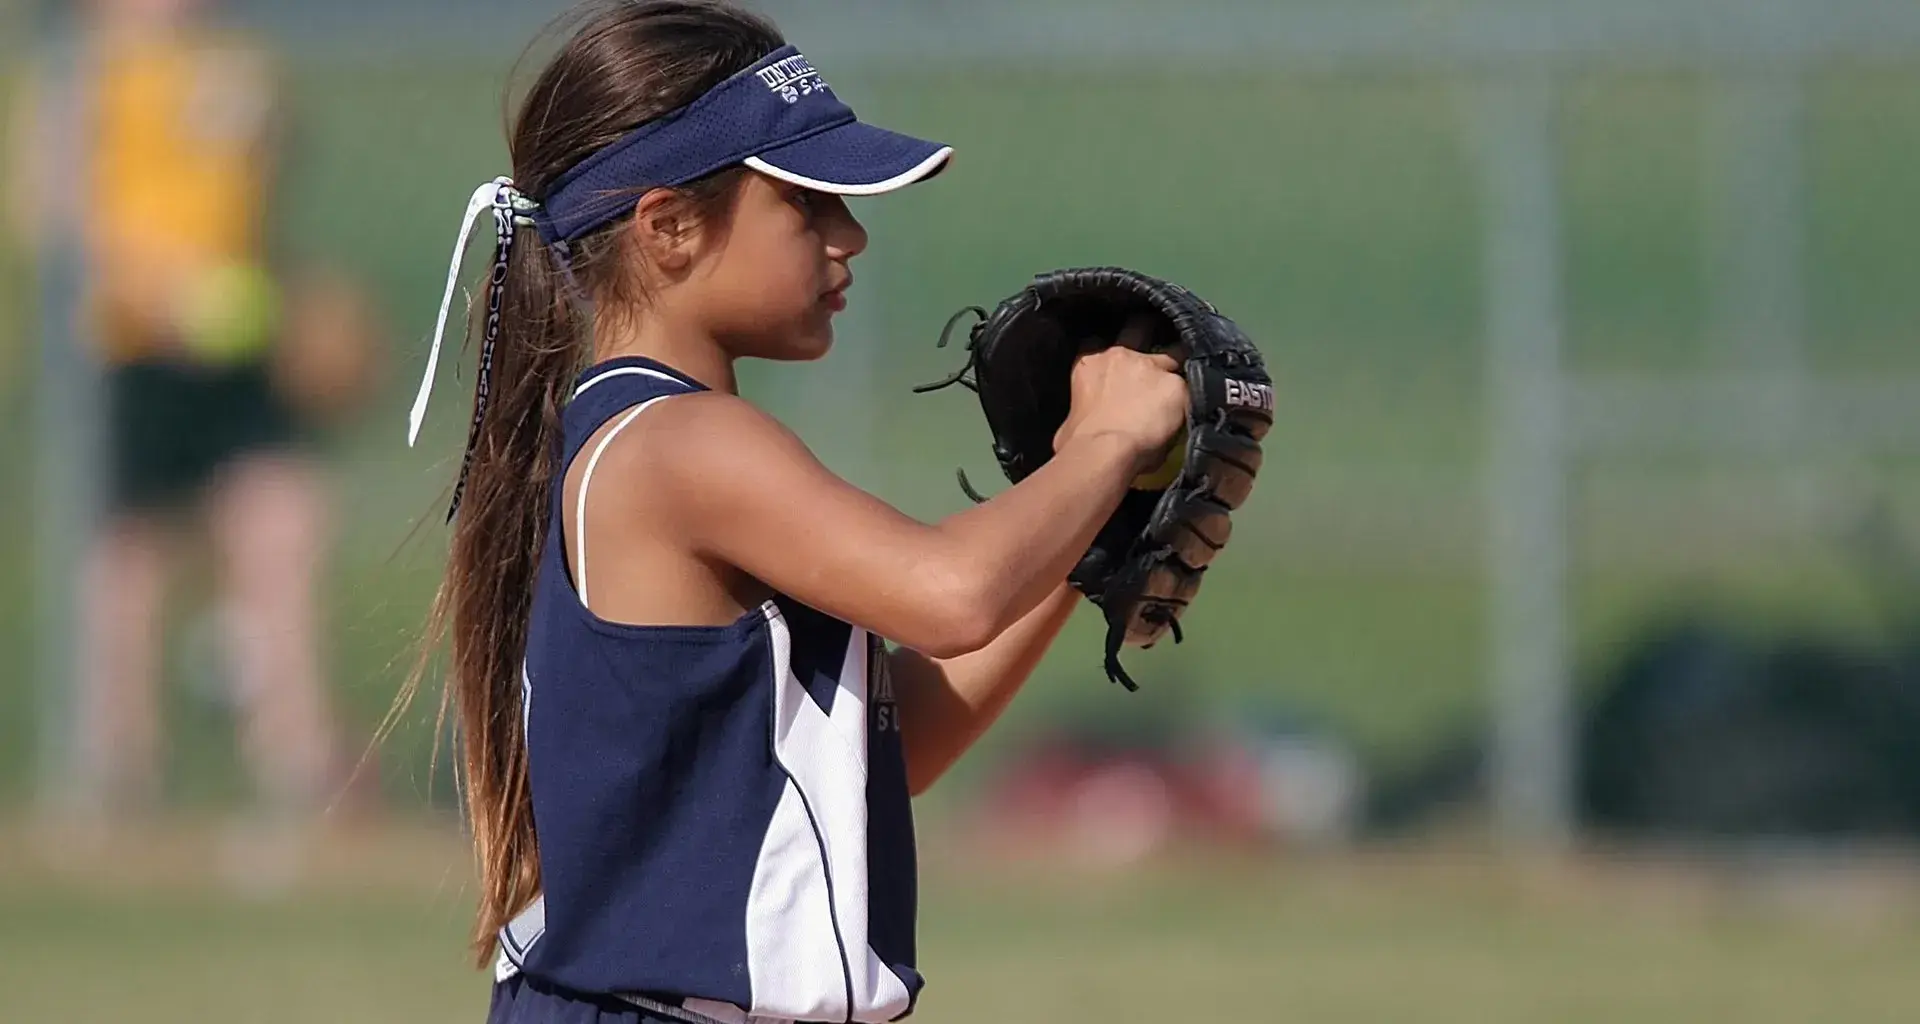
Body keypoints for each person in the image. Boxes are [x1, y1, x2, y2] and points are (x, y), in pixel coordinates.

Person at [398, 2, 1188, 1021]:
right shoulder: (682, 447)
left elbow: (884, 751)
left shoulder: (660, 438)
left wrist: (1092, 528)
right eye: (807, 204)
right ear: (668, 228)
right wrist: (1104, 444)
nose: (849, 234)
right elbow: (950, 593)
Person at [11, 0, 358, 834]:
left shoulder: (232, 65)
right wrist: (165, 288)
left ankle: (299, 760)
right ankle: (114, 768)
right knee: (123, 565)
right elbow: (47, 219)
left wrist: (289, 297)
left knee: (281, 522)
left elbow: (258, 205)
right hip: (120, 356)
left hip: (231, 354)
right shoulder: (73, 78)